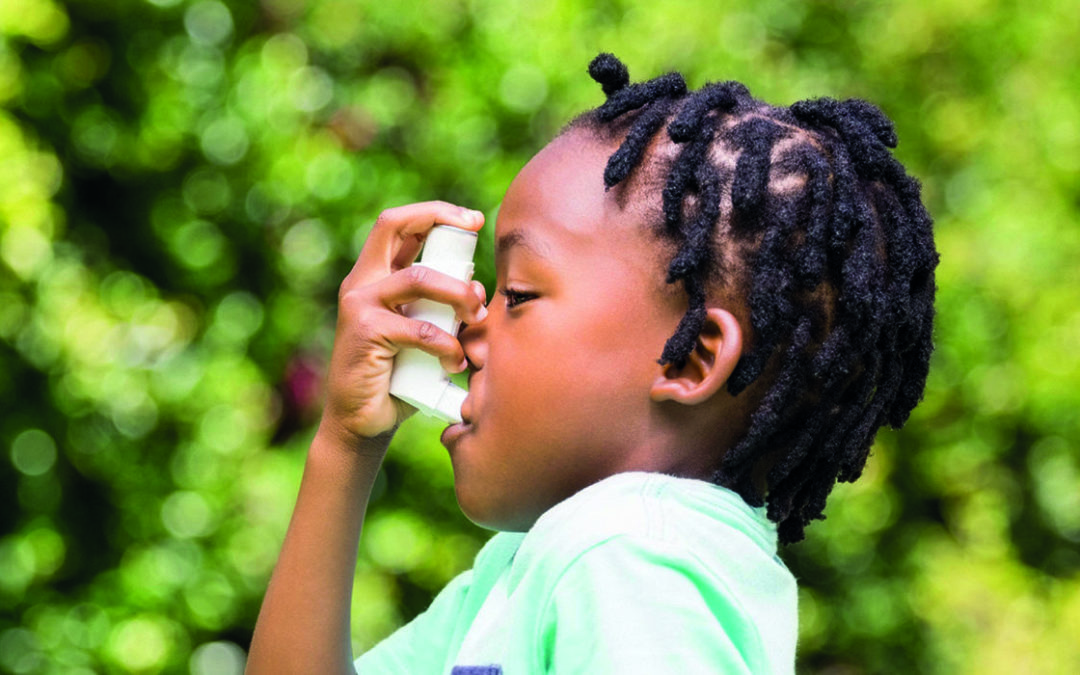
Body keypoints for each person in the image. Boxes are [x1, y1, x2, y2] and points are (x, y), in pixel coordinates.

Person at [246, 53, 938, 674]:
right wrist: (346, 440)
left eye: (518, 294)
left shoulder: (633, 561)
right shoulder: (527, 572)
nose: (470, 327)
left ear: (691, 358)